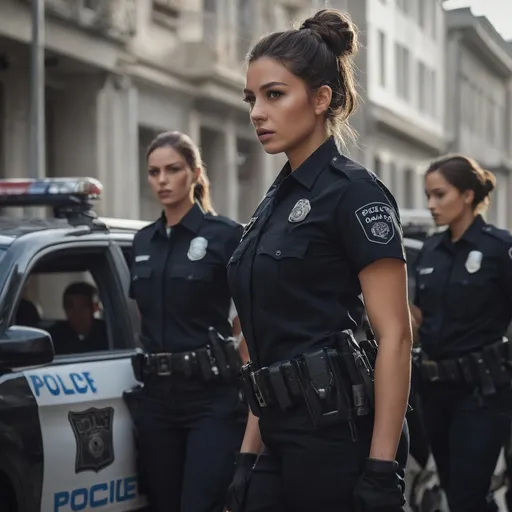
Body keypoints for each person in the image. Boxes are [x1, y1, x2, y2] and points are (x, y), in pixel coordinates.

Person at [225, 9, 412, 512]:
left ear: (321, 98)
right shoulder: (274, 202)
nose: (257, 113)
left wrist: (380, 468)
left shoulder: (354, 193)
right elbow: (264, 344)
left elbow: (395, 336)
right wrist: (247, 457)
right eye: (252, 98)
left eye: (274, 94)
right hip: (276, 433)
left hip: (335, 436)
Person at [128, 130, 246, 512]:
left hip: (210, 398)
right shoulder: (142, 242)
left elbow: (255, 312)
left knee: (201, 504)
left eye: (172, 170)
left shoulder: (225, 236)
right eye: (153, 172)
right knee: (162, 504)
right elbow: (144, 313)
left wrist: (239, 360)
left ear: (194, 173)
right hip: (156, 398)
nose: (161, 180)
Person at [410, 154, 512, 512]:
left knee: (469, 495)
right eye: (428, 195)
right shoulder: (429, 252)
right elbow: (419, 319)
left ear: (467, 195)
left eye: (439, 195)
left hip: (481, 392)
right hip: (434, 391)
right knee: (455, 493)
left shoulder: (500, 248)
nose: (431, 205)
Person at [49, 281, 108, 354]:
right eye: (70, 307)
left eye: (82, 307)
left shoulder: (107, 333)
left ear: (95, 308)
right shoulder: (55, 337)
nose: (76, 313)